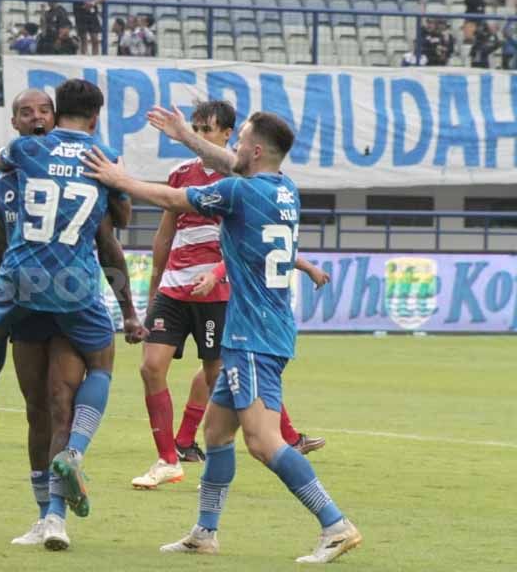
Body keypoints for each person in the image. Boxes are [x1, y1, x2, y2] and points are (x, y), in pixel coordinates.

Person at [82, 107, 362, 564]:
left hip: (254, 337)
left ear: (253, 150)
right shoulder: (284, 188)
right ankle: (205, 532)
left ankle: (335, 524)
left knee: (262, 441)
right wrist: (183, 135)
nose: (231, 149)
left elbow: (173, 200)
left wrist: (121, 179)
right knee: (215, 432)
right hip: (257, 332)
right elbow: (231, 163)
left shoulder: (238, 192)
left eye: (238, 142)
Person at [0, 88, 145, 549]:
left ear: (54, 115)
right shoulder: (101, 157)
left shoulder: (20, 157)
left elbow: (1, 221)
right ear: (96, 116)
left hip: (24, 286)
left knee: (50, 405)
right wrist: (129, 311)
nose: (35, 118)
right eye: (27, 112)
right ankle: (52, 502)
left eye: (42, 111)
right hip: (74, 287)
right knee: (53, 403)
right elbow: (119, 228)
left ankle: (50, 514)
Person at [130, 100, 327, 491]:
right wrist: (153, 289)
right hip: (177, 286)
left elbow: (257, 242)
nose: (202, 135)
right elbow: (166, 232)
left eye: (210, 130)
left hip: (222, 294)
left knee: (226, 384)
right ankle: (171, 461)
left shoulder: (242, 184)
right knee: (154, 368)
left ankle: (291, 455)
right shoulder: (185, 174)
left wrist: (119, 178)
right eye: (196, 128)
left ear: (227, 136)